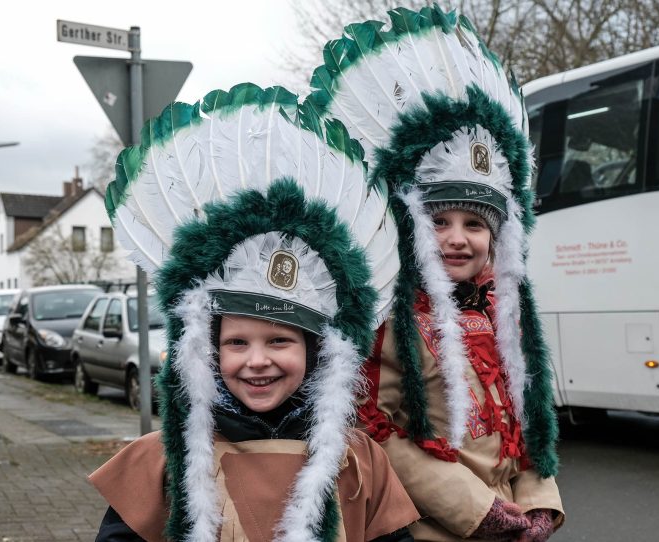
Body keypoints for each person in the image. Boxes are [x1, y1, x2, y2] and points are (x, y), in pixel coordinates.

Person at [89, 83, 418, 542]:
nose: (257, 360)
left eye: (279, 340)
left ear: (316, 351)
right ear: (208, 352)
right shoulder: (165, 460)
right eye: (237, 342)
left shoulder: (360, 461)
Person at [303, 5, 564, 540]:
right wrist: (475, 509)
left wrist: (539, 502)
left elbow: (527, 422)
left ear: (496, 235)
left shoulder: (504, 311)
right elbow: (372, 434)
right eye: (438, 220)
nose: (457, 237)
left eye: (474, 223)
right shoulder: (388, 317)